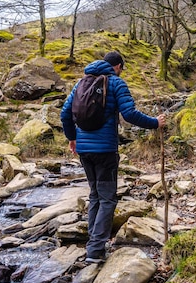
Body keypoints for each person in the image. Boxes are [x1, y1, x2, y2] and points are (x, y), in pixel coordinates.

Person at [60, 51, 166, 263]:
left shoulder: (81, 83)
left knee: (95, 195)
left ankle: (93, 242)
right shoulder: (117, 83)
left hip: (84, 151)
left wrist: (72, 138)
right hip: (106, 151)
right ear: (117, 66)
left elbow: (65, 114)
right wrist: (155, 122)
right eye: (121, 68)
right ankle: (96, 250)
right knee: (107, 198)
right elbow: (129, 114)